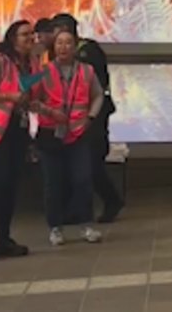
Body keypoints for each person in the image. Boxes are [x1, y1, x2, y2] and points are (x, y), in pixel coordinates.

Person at [33, 28, 105, 245]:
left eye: (68, 43)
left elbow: (98, 95)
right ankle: (55, 228)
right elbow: (29, 99)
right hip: (50, 134)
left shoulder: (87, 71)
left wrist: (90, 118)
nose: (64, 47)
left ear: (75, 47)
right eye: (59, 43)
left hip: (78, 133)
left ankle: (86, 225)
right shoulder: (43, 71)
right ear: (53, 48)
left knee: (82, 179)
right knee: (53, 183)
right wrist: (49, 112)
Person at [50, 13, 124, 223]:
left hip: (93, 116)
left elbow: (95, 86)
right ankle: (77, 208)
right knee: (79, 163)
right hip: (73, 117)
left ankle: (111, 200)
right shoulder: (58, 57)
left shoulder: (87, 51)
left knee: (91, 162)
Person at [0, 20, 39, 261]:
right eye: (24, 34)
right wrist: (9, 96)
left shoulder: (30, 64)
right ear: (12, 38)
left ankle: (3, 237)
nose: (30, 38)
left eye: (32, 34)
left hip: (18, 129)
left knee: (11, 185)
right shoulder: (0, 61)